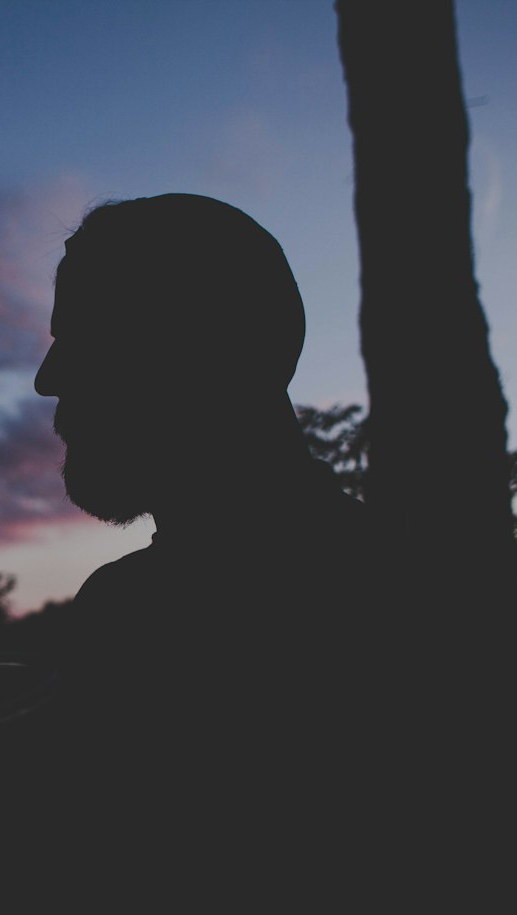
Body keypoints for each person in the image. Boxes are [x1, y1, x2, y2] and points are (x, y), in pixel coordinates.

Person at [31, 193, 388, 747]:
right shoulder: (398, 582)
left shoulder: (128, 619)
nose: (48, 377)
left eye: (90, 337)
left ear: (208, 351)